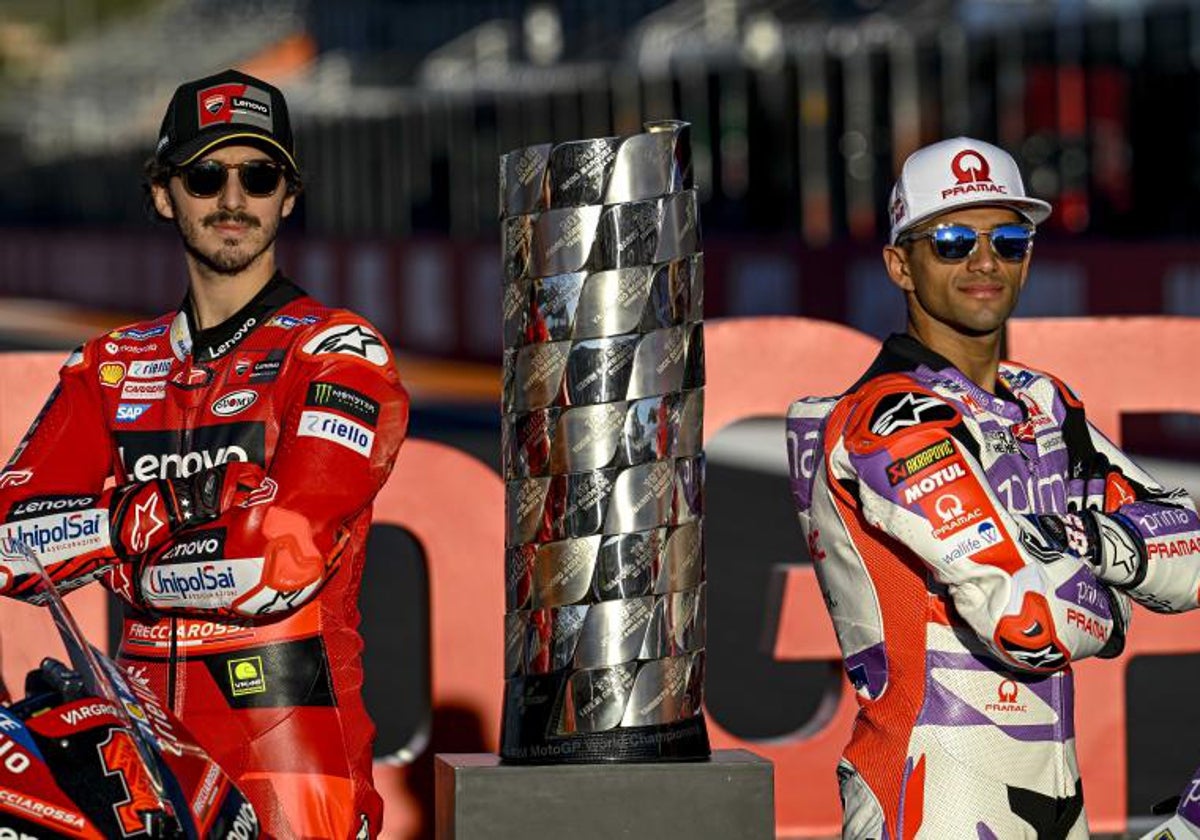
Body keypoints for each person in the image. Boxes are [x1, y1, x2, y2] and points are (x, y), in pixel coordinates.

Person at [0, 68, 408, 840]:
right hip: (139, 747)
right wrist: (169, 510)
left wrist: (119, 557)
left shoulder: (337, 353)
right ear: (164, 194)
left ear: (287, 197)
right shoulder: (110, 366)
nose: (233, 199)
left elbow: (274, 561)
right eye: (204, 175)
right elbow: (5, 542)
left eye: (258, 176)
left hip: (292, 754)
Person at [786, 136, 1200, 838]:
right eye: (951, 240)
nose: (985, 261)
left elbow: (1189, 549)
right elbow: (1027, 623)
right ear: (900, 265)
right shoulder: (885, 418)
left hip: (1055, 799)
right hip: (932, 797)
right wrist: (1114, 592)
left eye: (1008, 238)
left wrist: (1084, 543)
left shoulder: (1043, 405)